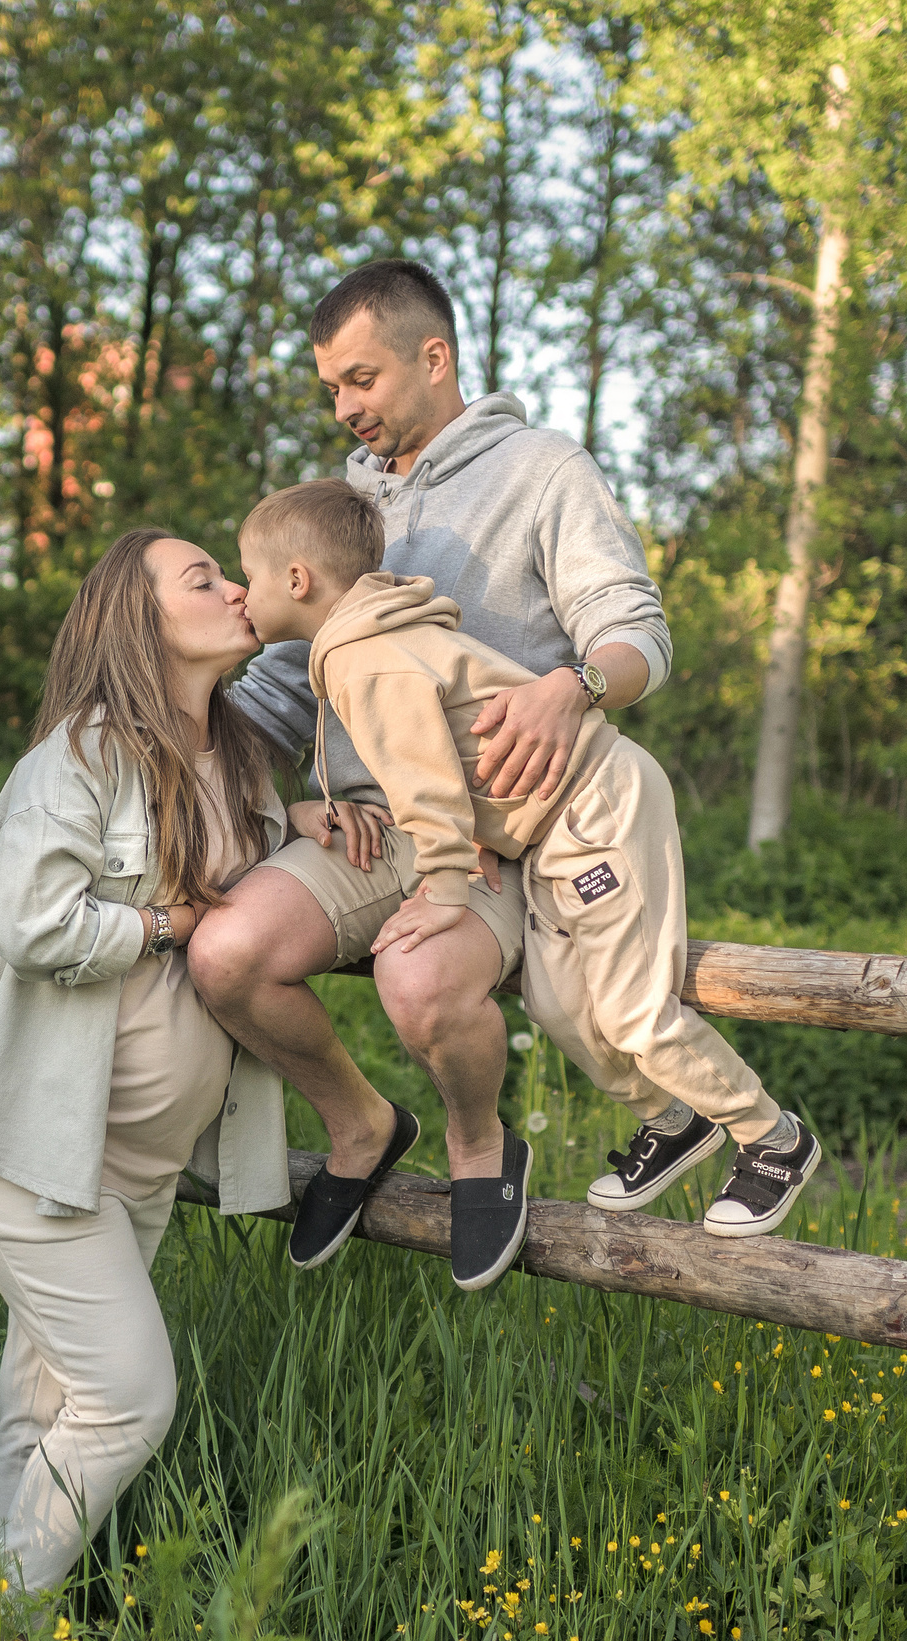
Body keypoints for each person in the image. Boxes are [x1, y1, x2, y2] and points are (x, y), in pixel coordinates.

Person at [191, 258, 673, 1263]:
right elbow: (280, 688)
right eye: (332, 386)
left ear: (435, 357)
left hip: (491, 825)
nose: (343, 406)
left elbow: (635, 632)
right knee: (224, 955)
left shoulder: (543, 470)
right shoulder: (340, 501)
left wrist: (573, 685)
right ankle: (362, 1125)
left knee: (418, 985)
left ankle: (478, 1141)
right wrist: (260, 797)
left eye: (360, 379)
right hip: (368, 829)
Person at [0, 527, 366, 1611]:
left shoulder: (238, 762)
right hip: (36, 1153)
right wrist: (167, 924)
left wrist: (298, 825)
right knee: (129, 1400)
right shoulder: (79, 759)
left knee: (48, 1406)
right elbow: (33, 921)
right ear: (141, 620)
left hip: (136, 1163)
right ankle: (0, 1626)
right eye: (202, 577)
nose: (235, 587)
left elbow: (235, 879)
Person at [235, 481, 823, 1285]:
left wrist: (442, 887)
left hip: (592, 803)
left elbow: (427, 783)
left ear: (297, 580)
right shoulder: (370, 635)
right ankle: (673, 1120)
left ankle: (773, 1138)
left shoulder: (364, 656)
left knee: (633, 1010)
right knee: (554, 1002)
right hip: (544, 830)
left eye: (250, 576)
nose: (242, 592)